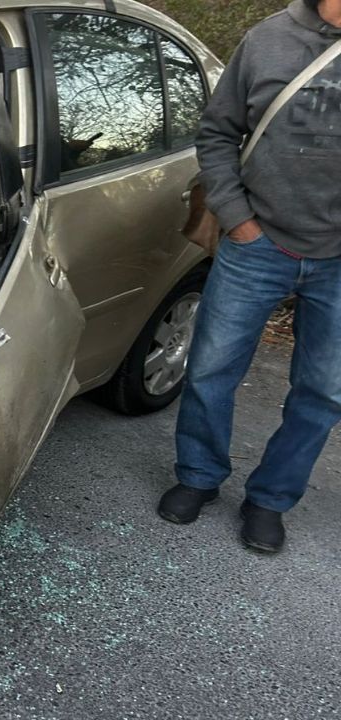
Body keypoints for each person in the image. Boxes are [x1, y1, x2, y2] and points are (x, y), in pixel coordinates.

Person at [158, 0, 341, 553]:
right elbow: (217, 134)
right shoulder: (268, 39)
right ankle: (198, 476)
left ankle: (270, 499)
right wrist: (239, 224)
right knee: (211, 369)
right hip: (257, 242)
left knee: (324, 391)